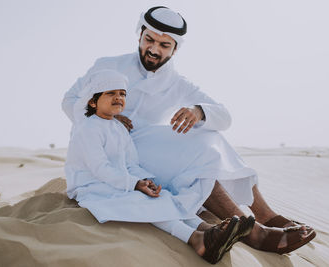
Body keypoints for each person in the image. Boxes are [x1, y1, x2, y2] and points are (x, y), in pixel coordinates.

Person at [62, 6, 315, 254]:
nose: (153, 49)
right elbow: (69, 100)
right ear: (139, 35)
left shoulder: (176, 82)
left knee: (209, 136)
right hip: (105, 149)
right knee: (193, 161)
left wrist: (199, 111)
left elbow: (224, 116)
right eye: (149, 39)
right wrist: (105, 118)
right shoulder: (108, 65)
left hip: (147, 146)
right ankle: (257, 234)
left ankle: (267, 216)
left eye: (164, 45)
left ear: (175, 49)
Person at [65, 69, 254, 264]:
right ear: (93, 101)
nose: (118, 98)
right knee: (141, 200)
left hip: (119, 180)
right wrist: (135, 184)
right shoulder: (87, 128)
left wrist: (145, 181)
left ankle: (206, 229)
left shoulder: (119, 128)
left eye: (122, 94)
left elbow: (130, 163)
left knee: (164, 196)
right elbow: (99, 169)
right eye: (110, 93)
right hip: (92, 184)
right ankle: (196, 239)